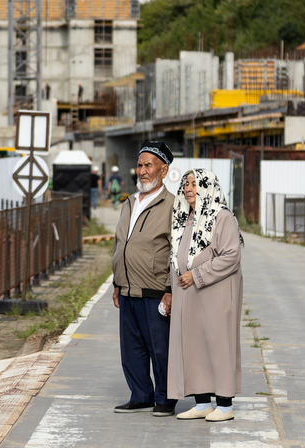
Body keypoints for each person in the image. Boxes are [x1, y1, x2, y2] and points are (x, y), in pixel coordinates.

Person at [168, 168, 243, 422]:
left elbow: (231, 256)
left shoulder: (222, 217)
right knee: (195, 346)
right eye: (186, 184)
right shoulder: (186, 218)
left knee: (218, 345)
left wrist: (196, 275)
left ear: (207, 187)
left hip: (215, 295)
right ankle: (202, 402)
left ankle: (224, 404)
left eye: (195, 183)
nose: (189, 188)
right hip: (190, 297)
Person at [111, 141, 178, 417]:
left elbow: (177, 249)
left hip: (156, 289)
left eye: (148, 165)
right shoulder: (129, 202)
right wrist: (116, 282)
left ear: (164, 170)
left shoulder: (173, 204)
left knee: (160, 349)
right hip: (127, 288)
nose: (142, 171)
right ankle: (141, 395)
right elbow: (120, 243)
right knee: (131, 348)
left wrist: (170, 289)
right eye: (139, 165)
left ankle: (165, 399)